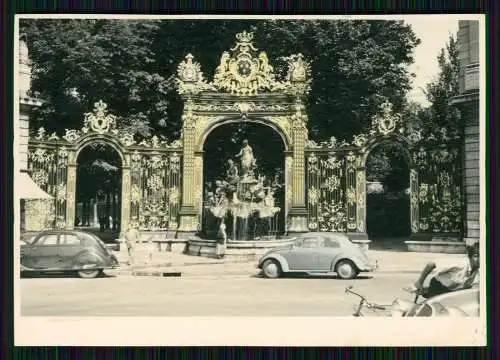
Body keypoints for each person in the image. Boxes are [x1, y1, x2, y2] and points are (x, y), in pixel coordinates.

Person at [413, 242, 480, 299]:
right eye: (476, 256)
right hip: (438, 286)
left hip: (452, 291)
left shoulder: (477, 272)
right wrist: (420, 282)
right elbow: (431, 264)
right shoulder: (460, 263)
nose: (480, 259)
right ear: (470, 257)